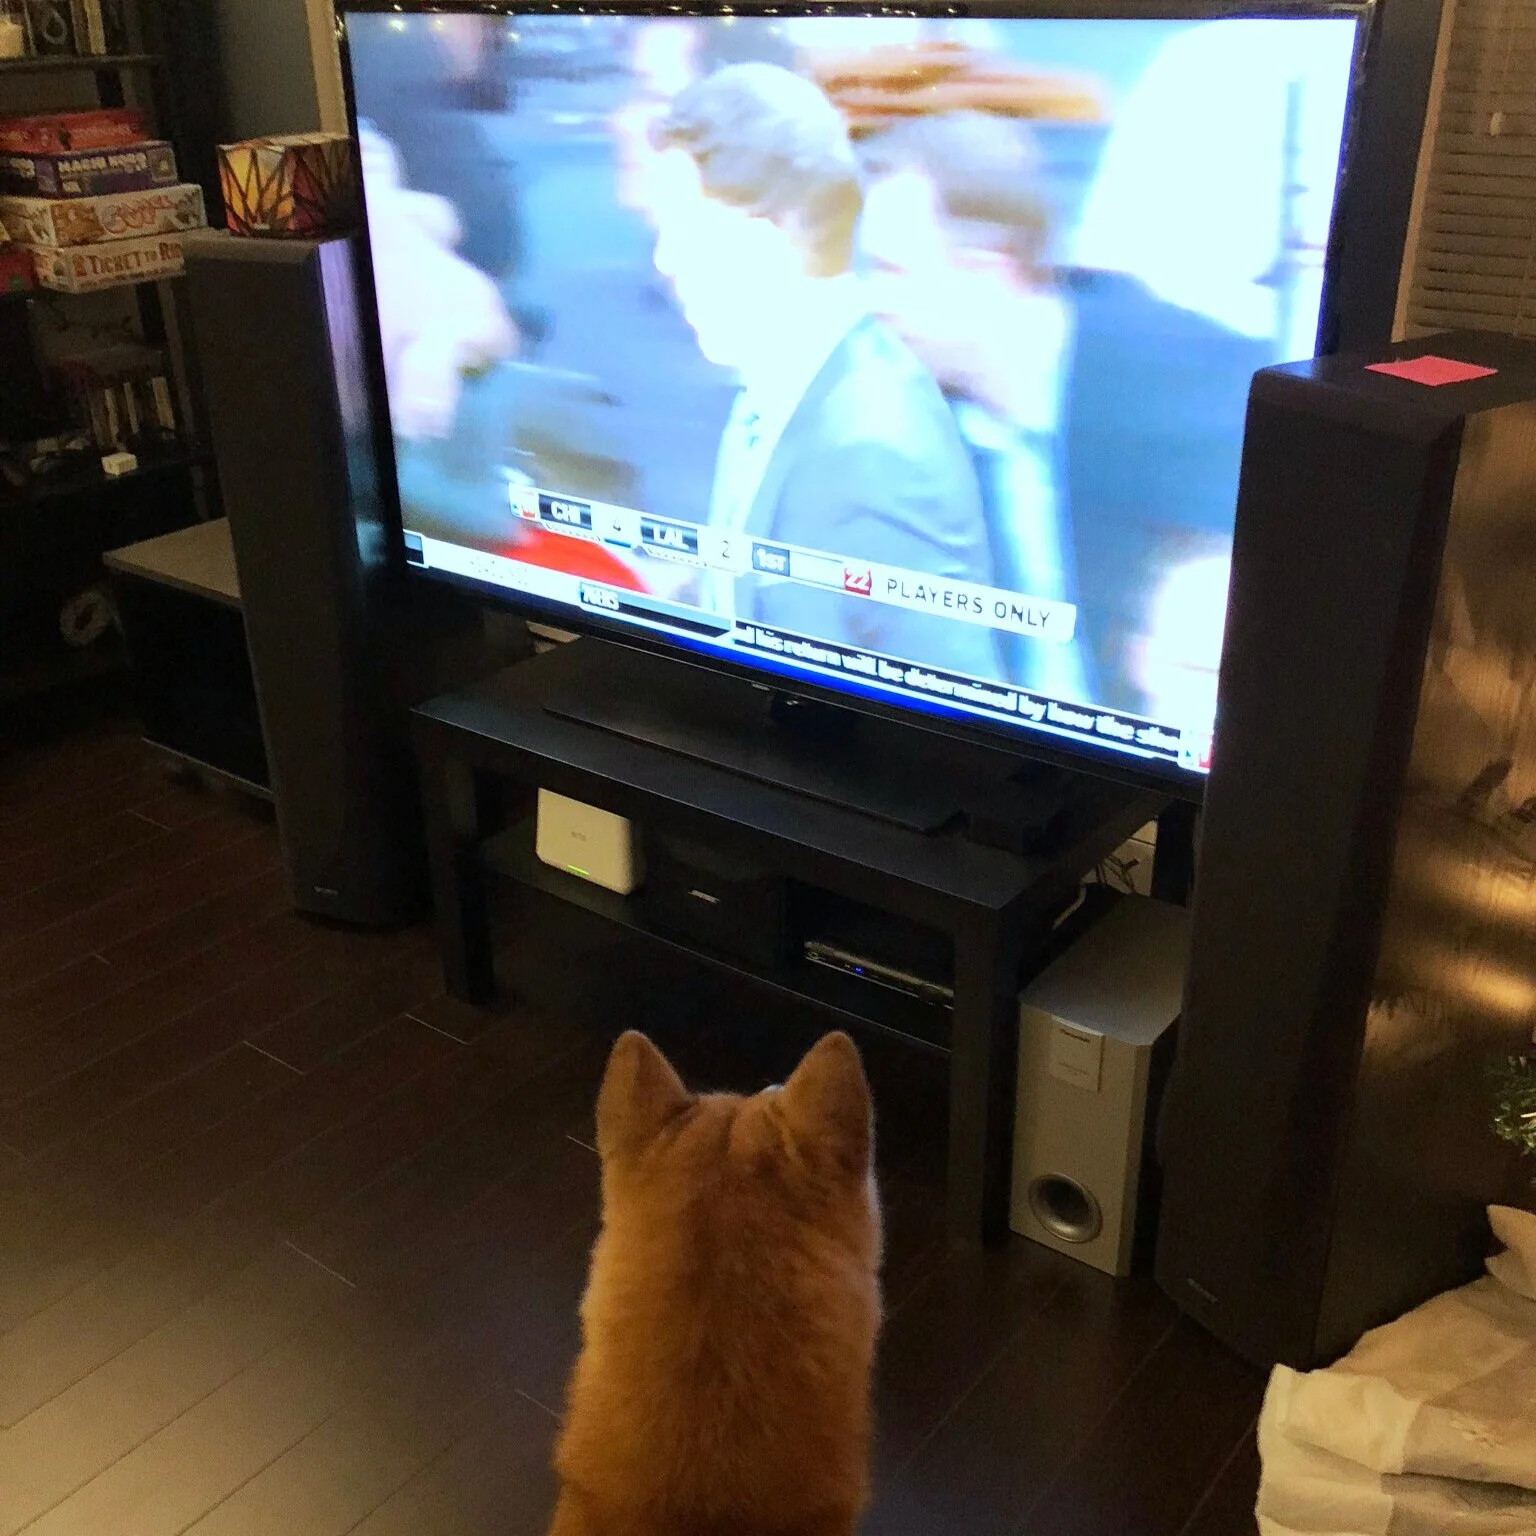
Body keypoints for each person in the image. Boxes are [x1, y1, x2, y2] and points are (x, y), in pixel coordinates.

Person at [647, 63, 1004, 682]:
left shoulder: (873, 444)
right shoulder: (776, 388)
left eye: (683, 224)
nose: (664, 258)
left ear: (766, 233)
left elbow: (952, 709)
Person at [859, 111, 1089, 701]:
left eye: (891, 271)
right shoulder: (901, 435)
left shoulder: (1182, 409)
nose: (871, 301)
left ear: (988, 276)